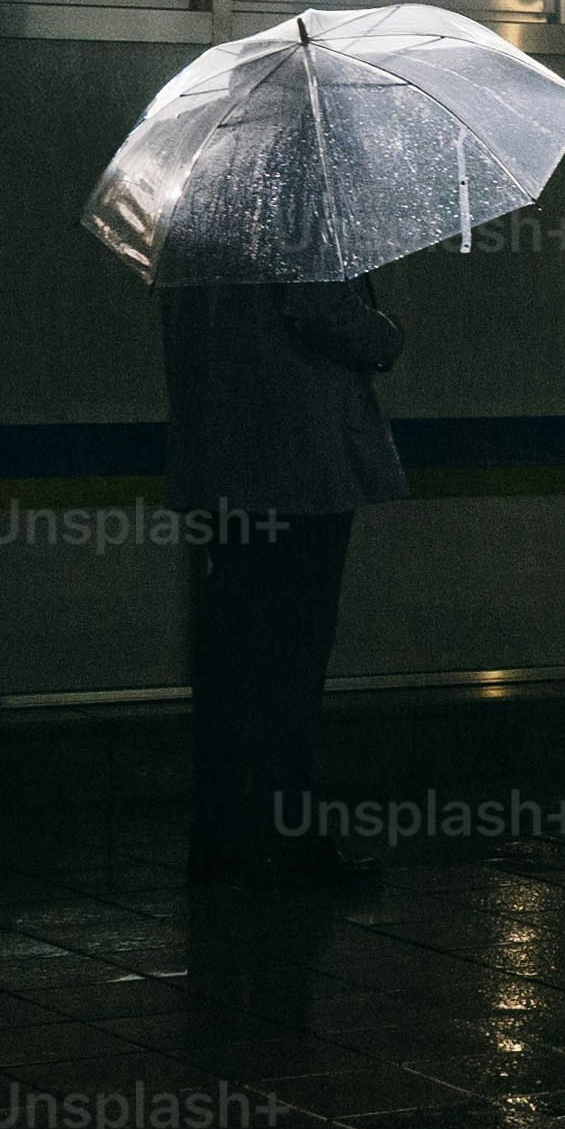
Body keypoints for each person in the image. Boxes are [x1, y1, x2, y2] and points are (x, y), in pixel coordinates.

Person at [160, 270, 403, 879]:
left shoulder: (197, 208)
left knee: (232, 657)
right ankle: (287, 839)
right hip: (300, 466)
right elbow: (320, 309)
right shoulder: (294, 187)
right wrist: (386, 335)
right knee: (291, 661)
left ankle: (222, 834)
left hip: (225, 463)